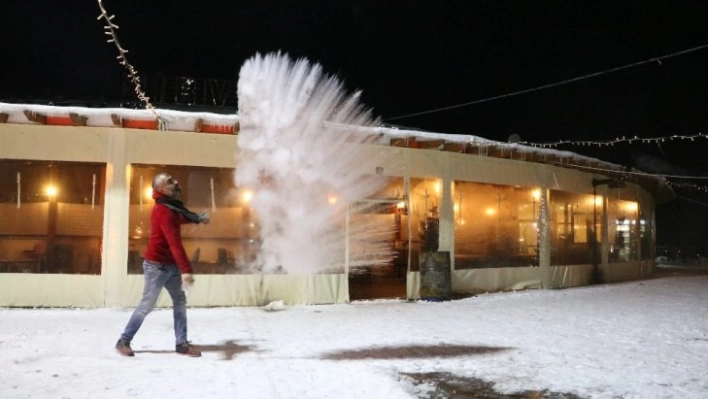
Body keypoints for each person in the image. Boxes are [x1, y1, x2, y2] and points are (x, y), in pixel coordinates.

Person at [115, 173, 210, 357]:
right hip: (157, 267)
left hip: (170, 266)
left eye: (174, 180)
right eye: (170, 182)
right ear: (161, 189)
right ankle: (123, 341)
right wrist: (186, 270)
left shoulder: (170, 208)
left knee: (180, 301)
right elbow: (174, 243)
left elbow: (179, 218)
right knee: (146, 306)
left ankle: (181, 344)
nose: (175, 183)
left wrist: (197, 218)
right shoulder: (163, 211)